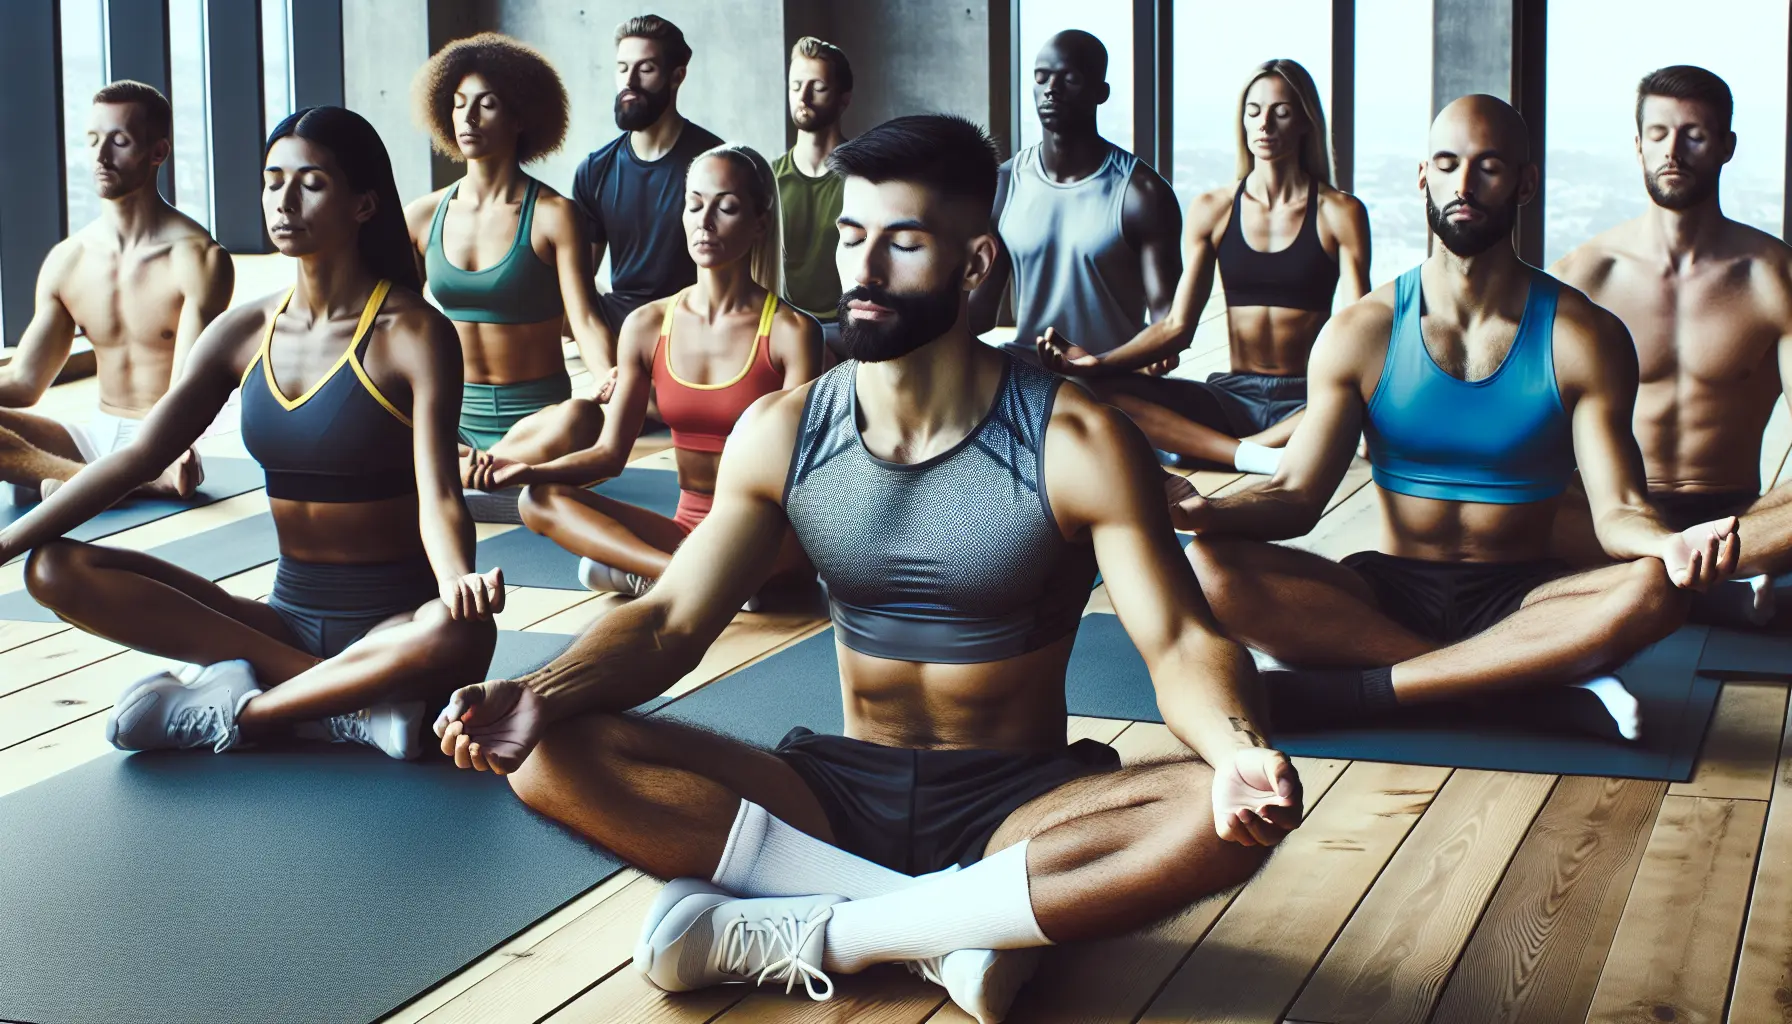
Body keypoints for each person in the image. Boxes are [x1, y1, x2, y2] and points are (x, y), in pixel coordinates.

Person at [433, 115, 1300, 1022]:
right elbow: (667, 620)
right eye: (853, 237)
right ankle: (947, 938)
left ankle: (831, 933)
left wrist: (1237, 746)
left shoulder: (1076, 440)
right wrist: (544, 687)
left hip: (1015, 807)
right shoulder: (786, 430)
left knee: (1220, 806)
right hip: (837, 791)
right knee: (544, 745)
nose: (865, 269)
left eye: (904, 242)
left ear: (972, 265)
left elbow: (1178, 640)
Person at [1173, 95, 1739, 744]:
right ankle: (1514, 684)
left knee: (1657, 588)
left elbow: (1617, 512)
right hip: (1389, 590)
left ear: (1525, 182)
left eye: (1488, 166)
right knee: (1206, 565)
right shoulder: (1362, 332)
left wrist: (1668, 545)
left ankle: (1372, 689)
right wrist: (1209, 514)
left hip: (1526, 595)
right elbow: (1297, 496)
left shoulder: (1584, 337)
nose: (1464, 184)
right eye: (1447, 164)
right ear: (1423, 177)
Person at [0, 107, 501, 762]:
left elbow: (440, 497)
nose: (283, 200)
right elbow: (139, 456)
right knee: (54, 567)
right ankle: (347, 708)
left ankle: (249, 709)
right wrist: (7, 545)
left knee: (460, 632)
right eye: (272, 180)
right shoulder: (243, 332)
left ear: (363, 204)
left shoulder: (414, 333)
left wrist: (456, 576)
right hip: (280, 622)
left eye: (312, 182)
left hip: (397, 629)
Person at [470, 144, 820, 597]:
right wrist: (526, 470)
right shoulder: (647, 325)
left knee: (759, 574)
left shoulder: (793, 333)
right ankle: (681, 581)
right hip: (688, 529)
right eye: (694, 204)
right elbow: (609, 455)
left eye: (726, 207)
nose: (704, 221)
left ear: (758, 223)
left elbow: (801, 477)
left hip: (765, 538)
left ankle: (672, 580)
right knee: (538, 500)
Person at [1031, 59, 1370, 477]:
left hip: (1309, 399)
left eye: (1281, 111)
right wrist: (1099, 364)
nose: (1265, 123)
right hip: (1233, 396)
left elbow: (1358, 334)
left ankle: (1235, 452)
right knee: (1097, 390)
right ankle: (1255, 454)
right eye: (1254, 110)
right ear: (1242, 121)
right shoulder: (1213, 210)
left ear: (1305, 122)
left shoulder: (1340, 213)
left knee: (1350, 397)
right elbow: (1177, 327)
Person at [1552, 65, 1792, 625]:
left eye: (1695, 134)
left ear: (1727, 147)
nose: (1673, 151)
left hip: (1736, 515)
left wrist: (1759, 527)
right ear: (1638, 145)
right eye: (1658, 134)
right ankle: (1713, 577)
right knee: (1510, 503)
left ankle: (1674, 576)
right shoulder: (1583, 277)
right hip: (1614, 516)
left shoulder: (1773, 277)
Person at [0, 81, 231, 503]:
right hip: (95, 435)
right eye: (93, 140)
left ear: (157, 152)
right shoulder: (68, 260)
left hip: (166, 444)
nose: (101, 157)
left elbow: (189, 393)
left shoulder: (198, 259)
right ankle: (91, 484)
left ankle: (92, 483)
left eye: (119, 141)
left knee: (172, 461)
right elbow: (23, 382)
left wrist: (162, 454)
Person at [405, 33, 612, 481]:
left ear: (520, 117)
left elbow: (585, 318)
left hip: (539, 418)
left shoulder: (555, 215)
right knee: (378, 421)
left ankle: (467, 473)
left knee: (583, 419)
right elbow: (392, 322)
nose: (469, 118)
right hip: (451, 415)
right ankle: (493, 473)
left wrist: (608, 376)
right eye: (459, 104)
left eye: (487, 104)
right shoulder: (422, 217)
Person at [969, 31, 1181, 372]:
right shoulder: (1006, 182)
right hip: (1029, 375)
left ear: (1101, 93)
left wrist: (1151, 357)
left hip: (1111, 379)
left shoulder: (1143, 193)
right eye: (1041, 78)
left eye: (1070, 79)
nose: (1051, 89)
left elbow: (1167, 322)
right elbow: (979, 313)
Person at [571, 15, 724, 337]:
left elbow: (733, 277)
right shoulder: (595, 170)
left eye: (646, 68)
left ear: (676, 76)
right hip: (618, 330)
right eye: (623, 68)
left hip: (691, 328)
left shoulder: (714, 162)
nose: (630, 81)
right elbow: (579, 285)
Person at [775, 37, 852, 358]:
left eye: (817, 87)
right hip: (782, 327)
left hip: (847, 329)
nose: (802, 97)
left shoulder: (862, 179)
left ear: (843, 99)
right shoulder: (768, 178)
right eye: (796, 86)